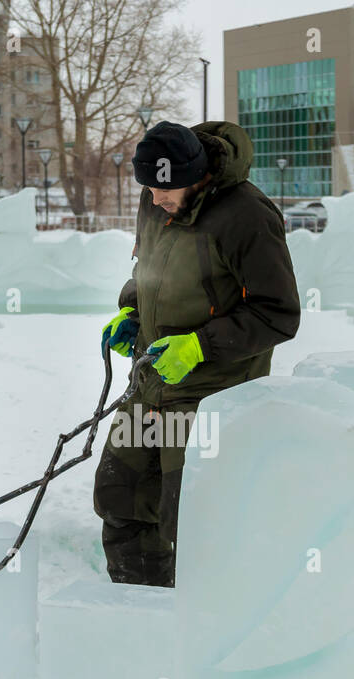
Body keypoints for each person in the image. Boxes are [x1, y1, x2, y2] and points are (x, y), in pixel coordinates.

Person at [92, 120, 300, 588]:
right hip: (149, 385)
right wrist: (131, 313)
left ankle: (199, 638)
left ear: (199, 174)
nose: (155, 199)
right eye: (147, 188)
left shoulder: (248, 215)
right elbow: (150, 273)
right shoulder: (157, 198)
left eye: (167, 190)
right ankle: (140, 616)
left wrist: (199, 346)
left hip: (212, 398)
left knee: (193, 521)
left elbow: (278, 314)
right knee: (120, 498)